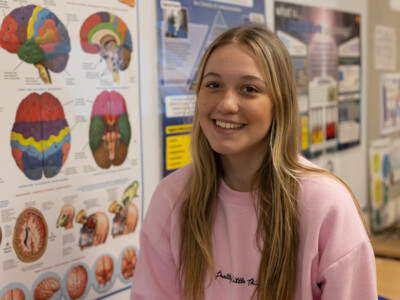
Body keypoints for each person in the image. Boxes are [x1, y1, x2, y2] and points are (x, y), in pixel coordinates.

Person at [131, 24, 377, 300]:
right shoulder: (172, 198)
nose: (226, 104)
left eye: (249, 89)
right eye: (213, 85)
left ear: (279, 104)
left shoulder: (327, 206)